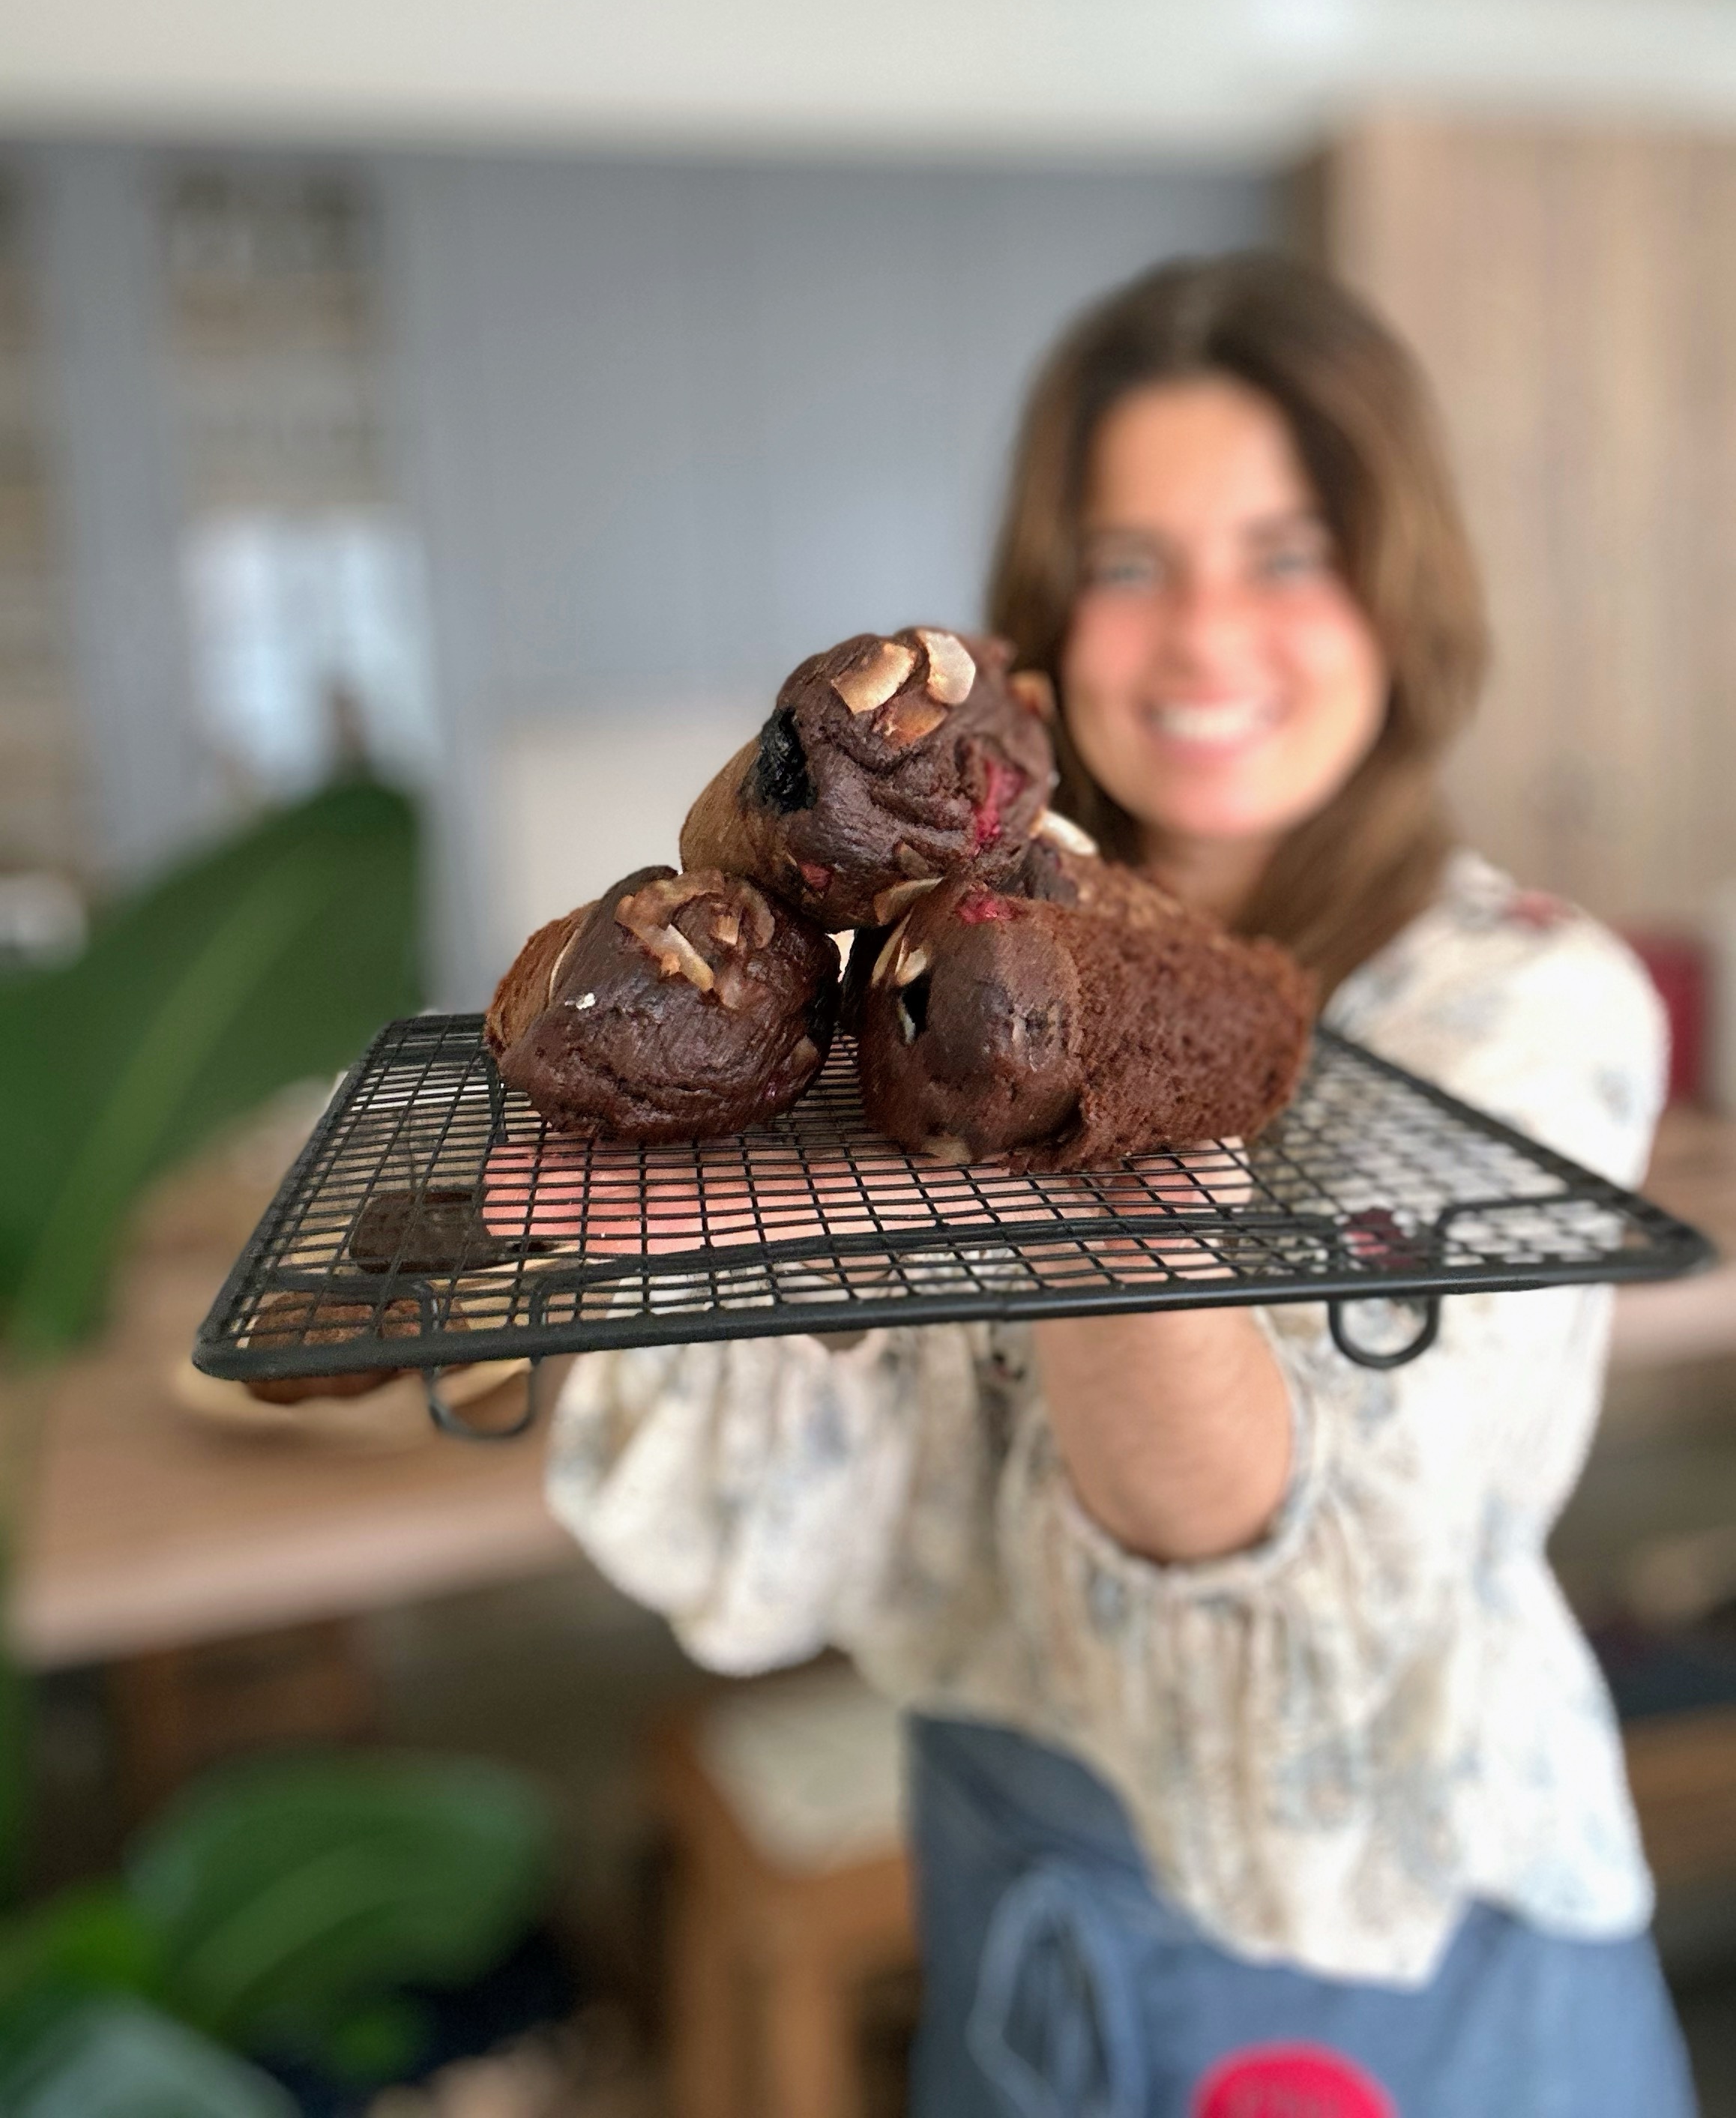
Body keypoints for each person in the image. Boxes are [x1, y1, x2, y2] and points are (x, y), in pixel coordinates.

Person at [537, 254, 1697, 2114]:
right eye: (1132, 560)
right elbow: (770, 1573)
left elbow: (1309, 1557)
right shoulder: (907, 991)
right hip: (1012, 1882)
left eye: (1287, 551)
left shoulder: (1522, 1000)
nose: (1203, 636)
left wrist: (1082, 1110)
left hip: (1413, 1931)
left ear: (1401, 598)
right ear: (1045, 630)